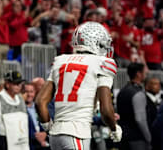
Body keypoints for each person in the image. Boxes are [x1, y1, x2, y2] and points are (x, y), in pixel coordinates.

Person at [35, 22, 122, 150]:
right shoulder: (102, 63)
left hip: (56, 135)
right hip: (77, 133)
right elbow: (106, 110)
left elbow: (40, 102)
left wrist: (49, 127)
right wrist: (114, 128)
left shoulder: (61, 60)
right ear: (95, 42)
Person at [0, 71, 29, 150]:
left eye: (19, 83)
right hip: (5, 141)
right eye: (15, 84)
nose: (18, 86)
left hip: (21, 142)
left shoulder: (20, 99)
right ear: (7, 84)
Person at [117, 63, 151, 150]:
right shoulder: (138, 93)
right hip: (137, 139)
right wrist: (149, 138)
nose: (146, 75)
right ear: (139, 74)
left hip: (123, 137)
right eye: (145, 73)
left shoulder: (122, 91)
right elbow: (140, 119)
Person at [23, 82, 47, 150]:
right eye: (26, 92)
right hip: (29, 144)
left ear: (35, 93)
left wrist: (45, 134)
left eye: (31, 92)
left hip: (42, 145)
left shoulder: (39, 107)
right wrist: (36, 136)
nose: (29, 94)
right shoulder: (20, 109)